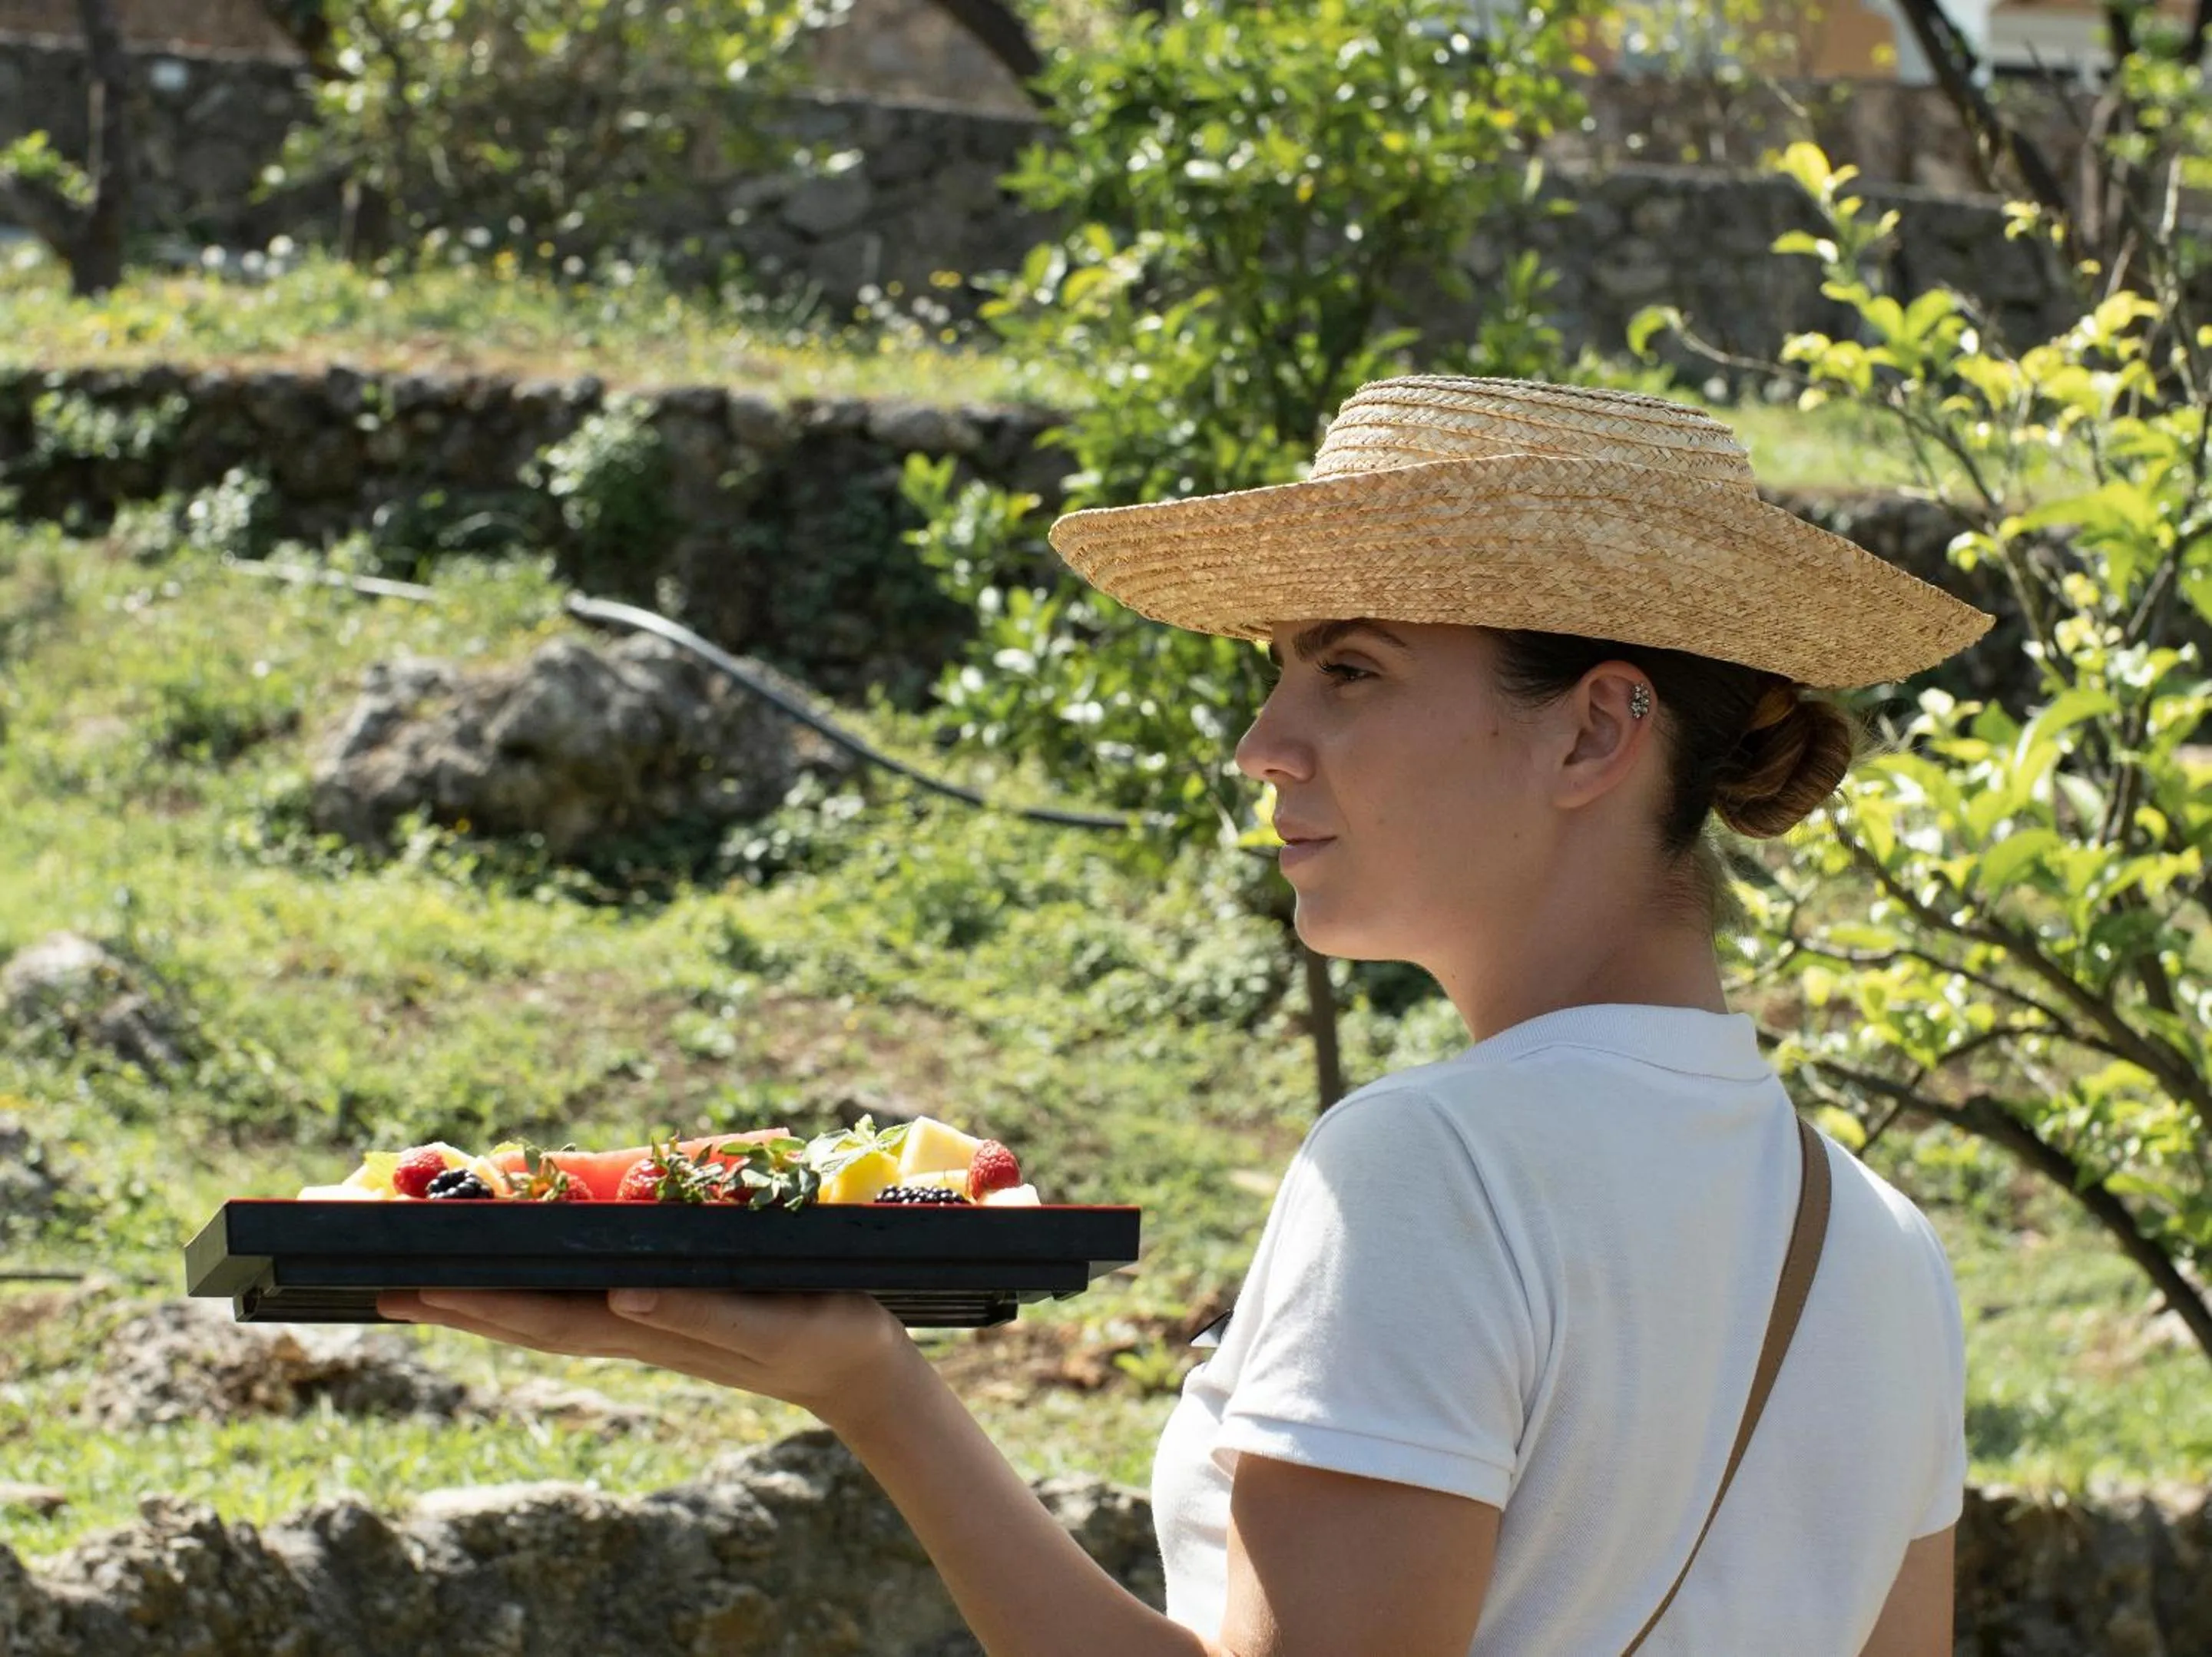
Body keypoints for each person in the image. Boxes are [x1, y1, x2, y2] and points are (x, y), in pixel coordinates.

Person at [382, 375, 1995, 1655]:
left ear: (1594, 732)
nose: (1263, 741)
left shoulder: (1434, 1168)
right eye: (1280, 668)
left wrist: (877, 1393)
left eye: (1350, 669)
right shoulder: (1880, 1244)